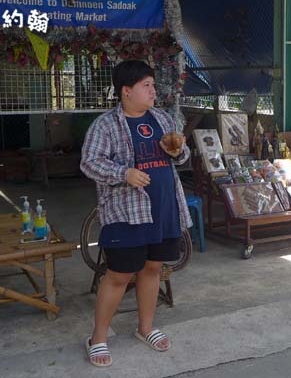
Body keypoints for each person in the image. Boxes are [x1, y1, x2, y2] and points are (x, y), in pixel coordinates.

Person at [80, 60, 192, 367]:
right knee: (119, 275)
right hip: (126, 212)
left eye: (153, 85)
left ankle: (146, 328)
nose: (154, 91)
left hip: (165, 208)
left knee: (153, 269)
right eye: (147, 86)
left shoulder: (162, 117)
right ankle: (98, 338)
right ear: (126, 91)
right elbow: (89, 163)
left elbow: (182, 154)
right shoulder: (105, 125)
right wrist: (123, 173)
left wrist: (177, 150)